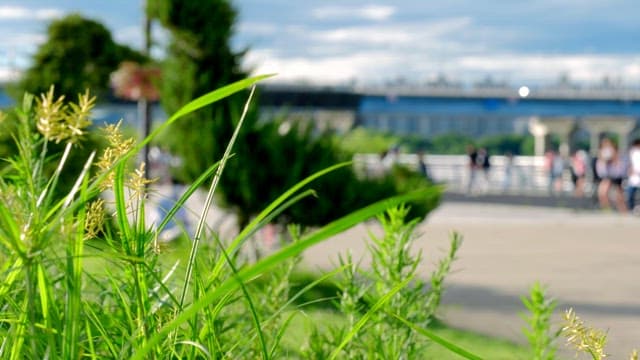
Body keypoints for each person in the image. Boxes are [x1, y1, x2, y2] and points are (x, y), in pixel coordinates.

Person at [595, 137, 627, 213]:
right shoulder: (602, 151)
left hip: (615, 175)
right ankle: (607, 209)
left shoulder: (613, 151)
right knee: (603, 192)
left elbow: (614, 160)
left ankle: (622, 209)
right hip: (606, 175)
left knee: (618, 195)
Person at [626, 138, 640, 213]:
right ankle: (631, 209)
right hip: (634, 177)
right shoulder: (632, 153)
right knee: (631, 193)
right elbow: (629, 164)